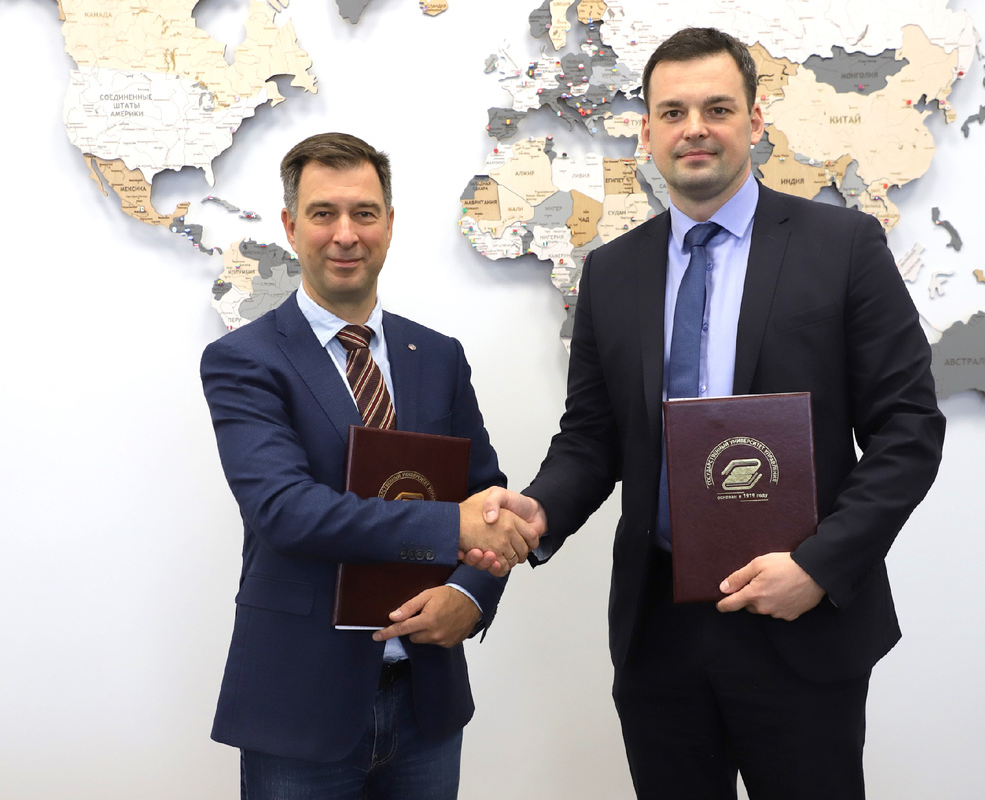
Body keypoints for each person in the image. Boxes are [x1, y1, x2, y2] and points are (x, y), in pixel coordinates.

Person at [483, 27, 946, 799]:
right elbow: (593, 438)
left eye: (717, 108)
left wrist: (818, 568)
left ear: (754, 122)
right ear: (648, 131)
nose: (694, 128)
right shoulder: (612, 272)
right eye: (673, 112)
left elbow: (908, 430)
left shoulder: (843, 247)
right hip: (659, 632)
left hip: (800, 619)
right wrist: (540, 509)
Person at [200, 132, 536, 799]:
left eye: (364, 213)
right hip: (300, 706)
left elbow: (488, 501)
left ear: (389, 222)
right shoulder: (245, 361)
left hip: (426, 699)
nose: (345, 234)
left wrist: (470, 595)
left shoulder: (437, 357)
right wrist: (453, 526)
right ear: (291, 226)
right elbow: (285, 511)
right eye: (323, 213)